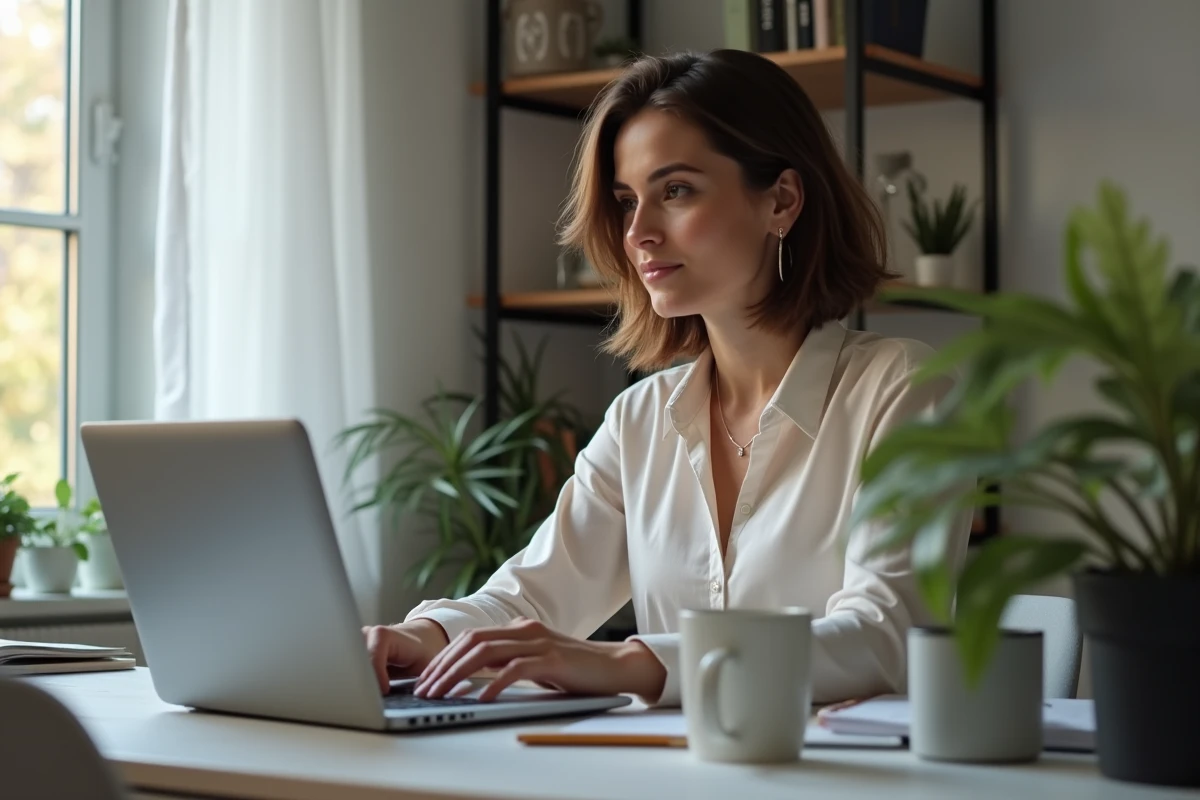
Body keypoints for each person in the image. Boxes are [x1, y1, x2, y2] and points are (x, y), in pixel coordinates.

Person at [363, 49, 973, 707]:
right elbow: (534, 594)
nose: (639, 233)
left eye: (676, 191)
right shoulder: (641, 419)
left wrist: (631, 663)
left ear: (782, 201)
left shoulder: (903, 388)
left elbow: (884, 635)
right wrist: (420, 635)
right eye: (628, 201)